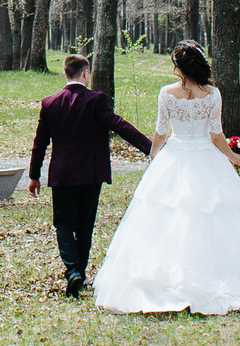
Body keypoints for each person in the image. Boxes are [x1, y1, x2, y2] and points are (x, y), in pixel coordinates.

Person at [92, 40, 240, 314]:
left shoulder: (166, 93)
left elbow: (161, 132)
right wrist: (230, 156)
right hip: (206, 156)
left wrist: (154, 157)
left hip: (174, 156)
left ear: (177, 66)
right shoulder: (212, 94)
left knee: (171, 214)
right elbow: (215, 133)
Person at [27, 53, 153, 298]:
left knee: (63, 224)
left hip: (62, 175)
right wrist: (150, 148)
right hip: (90, 174)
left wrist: (34, 175)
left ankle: (73, 270)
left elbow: (39, 143)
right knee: (85, 226)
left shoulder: (50, 103)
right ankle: (79, 274)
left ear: (65, 74)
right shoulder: (96, 100)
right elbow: (119, 125)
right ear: (85, 73)